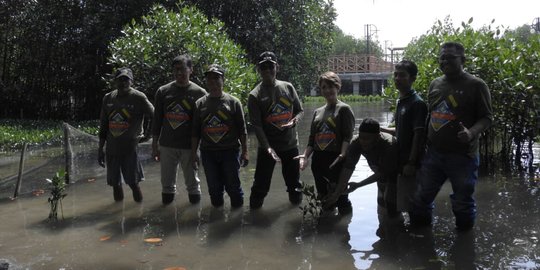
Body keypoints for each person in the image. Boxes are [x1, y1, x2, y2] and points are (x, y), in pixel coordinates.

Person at [410, 42, 493, 231]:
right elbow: (431, 116)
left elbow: (487, 117)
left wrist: (471, 132)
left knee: (463, 204)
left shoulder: (476, 85)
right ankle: (420, 243)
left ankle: (464, 250)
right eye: (442, 57)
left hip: (463, 156)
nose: (444, 60)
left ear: (462, 60)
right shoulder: (435, 83)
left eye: (450, 57)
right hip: (434, 154)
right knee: (420, 199)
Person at [247, 51, 304, 209]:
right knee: (260, 186)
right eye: (263, 67)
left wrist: (294, 121)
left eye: (270, 66)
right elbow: (257, 125)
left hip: (290, 145)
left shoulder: (288, 87)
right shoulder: (255, 95)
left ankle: (296, 214)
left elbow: (300, 111)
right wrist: (267, 148)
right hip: (268, 148)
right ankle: (253, 218)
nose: (267, 70)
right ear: (258, 70)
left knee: (295, 185)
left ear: (276, 67)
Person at [296, 71, 355, 215]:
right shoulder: (317, 112)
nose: (327, 90)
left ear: (337, 87)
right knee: (323, 196)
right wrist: (305, 156)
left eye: (330, 86)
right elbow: (312, 139)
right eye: (323, 87)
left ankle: (345, 227)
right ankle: (327, 226)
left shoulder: (344, 109)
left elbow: (348, 136)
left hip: (336, 159)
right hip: (319, 159)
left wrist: (342, 154)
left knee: (341, 196)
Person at [152, 55, 207, 205]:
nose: (179, 74)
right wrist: (154, 145)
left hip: (190, 147)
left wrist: (198, 150)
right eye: (176, 70)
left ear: (191, 70)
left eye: (183, 70)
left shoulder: (200, 93)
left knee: (193, 185)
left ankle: (194, 219)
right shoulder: (163, 91)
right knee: (167, 185)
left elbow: (202, 125)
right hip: (167, 145)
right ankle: (167, 219)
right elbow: (156, 120)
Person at [191, 64, 249, 208]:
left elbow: (242, 130)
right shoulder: (200, 104)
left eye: (216, 77)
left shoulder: (233, 102)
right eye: (209, 78)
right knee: (214, 190)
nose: (213, 81)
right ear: (206, 81)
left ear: (223, 80)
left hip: (230, 151)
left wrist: (246, 152)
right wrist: (194, 154)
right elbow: (195, 132)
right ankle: (217, 220)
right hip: (208, 152)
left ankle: (237, 221)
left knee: (234, 188)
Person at [324, 118, 399, 219]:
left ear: (377, 136)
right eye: (361, 137)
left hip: (398, 174)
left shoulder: (389, 145)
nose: (363, 141)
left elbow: (383, 173)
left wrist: (358, 185)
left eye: (367, 138)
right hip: (380, 176)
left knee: (392, 206)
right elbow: (348, 168)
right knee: (382, 210)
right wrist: (337, 193)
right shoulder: (356, 142)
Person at [98, 67, 154, 202]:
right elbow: (104, 125)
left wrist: (148, 135)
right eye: (119, 80)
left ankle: (139, 212)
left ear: (131, 81)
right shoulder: (108, 98)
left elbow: (154, 115)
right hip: (112, 148)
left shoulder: (138, 97)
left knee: (133, 183)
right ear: (115, 82)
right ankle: (118, 215)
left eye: (125, 80)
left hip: (130, 148)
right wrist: (100, 148)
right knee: (115, 184)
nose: (122, 83)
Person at [380, 60, 428, 212]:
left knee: (414, 206)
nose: (397, 79)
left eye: (402, 76)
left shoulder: (417, 103)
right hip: (400, 161)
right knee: (399, 203)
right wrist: (380, 128)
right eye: (395, 75)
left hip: (411, 163)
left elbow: (418, 135)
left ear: (413, 78)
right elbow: (400, 131)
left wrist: (412, 163)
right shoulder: (402, 101)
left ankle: (419, 233)